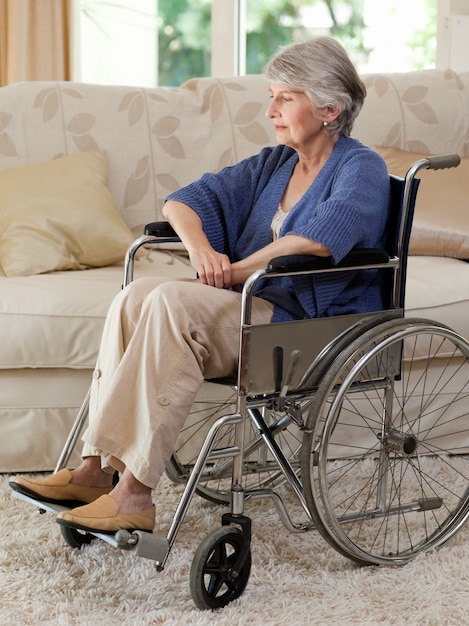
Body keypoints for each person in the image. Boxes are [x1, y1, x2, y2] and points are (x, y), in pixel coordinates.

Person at [10, 36, 390, 534]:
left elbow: (317, 240)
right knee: (134, 297)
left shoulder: (361, 168)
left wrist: (234, 271)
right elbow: (184, 200)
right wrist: (201, 251)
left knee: (170, 298)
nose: (271, 109)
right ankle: (93, 470)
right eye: (271, 95)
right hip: (253, 310)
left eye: (285, 97)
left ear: (329, 109)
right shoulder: (275, 163)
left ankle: (135, 495)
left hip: (309, 325)